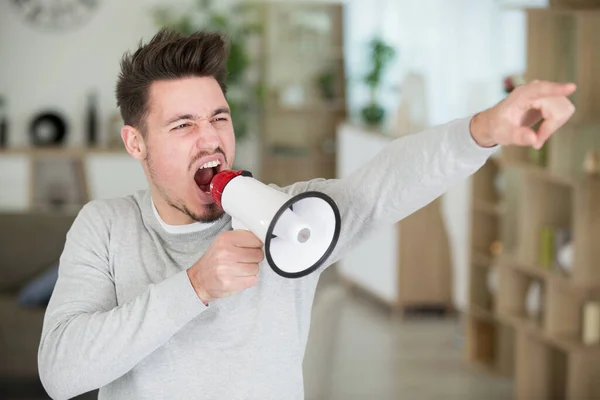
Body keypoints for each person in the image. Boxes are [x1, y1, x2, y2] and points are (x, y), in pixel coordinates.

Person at [37, 28, 576, 400]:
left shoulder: (292, 217)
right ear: (136, 142)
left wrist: (484, 129)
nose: (211, 141)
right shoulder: (104, 227)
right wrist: (195, 286)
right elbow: (61, 373)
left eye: (219, 118)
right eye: (182, 125)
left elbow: (388, 181)